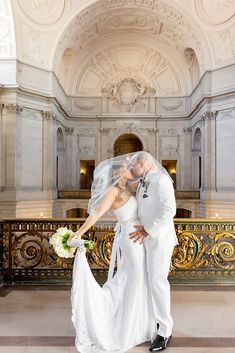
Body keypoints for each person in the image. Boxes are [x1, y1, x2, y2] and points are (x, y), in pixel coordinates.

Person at [67, 154, 156, 353]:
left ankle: (139, 324)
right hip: (131, 240)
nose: (130, 168)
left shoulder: (129, 188)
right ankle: (124, 326)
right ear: (118, 173)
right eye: (127, 167)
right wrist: (79, 232)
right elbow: (96, 214)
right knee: (135, 277)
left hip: (138, 238)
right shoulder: (112, 191)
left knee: (137, 279)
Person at [128, 151, 179, 352]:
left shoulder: (160, 180)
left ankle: (165, 330)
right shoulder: (143, 182)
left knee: (158, 282)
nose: (132, 168)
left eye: (134, 165)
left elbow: (169, 210)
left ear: (143, 163)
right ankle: (154, 321)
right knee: (149, 281)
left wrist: (148, 230)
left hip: (159, 238)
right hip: (146, 239)